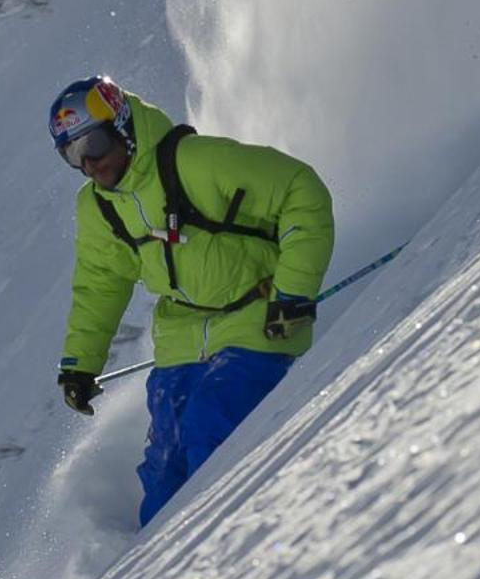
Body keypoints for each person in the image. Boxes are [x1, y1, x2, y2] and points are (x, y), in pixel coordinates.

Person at [49, 76, 334, 526]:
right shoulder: (99, 208)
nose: (91, 165)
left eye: (96, 144)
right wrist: (80, 364)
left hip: (257, 319)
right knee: (166, 467)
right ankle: (158, 576)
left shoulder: (193, 163)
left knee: (211, 427)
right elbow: (99, 284)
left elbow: (301, 190)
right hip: (180, 337)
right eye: (73, 156)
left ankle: (228, 549)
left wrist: (294, 292)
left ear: (122, 126)